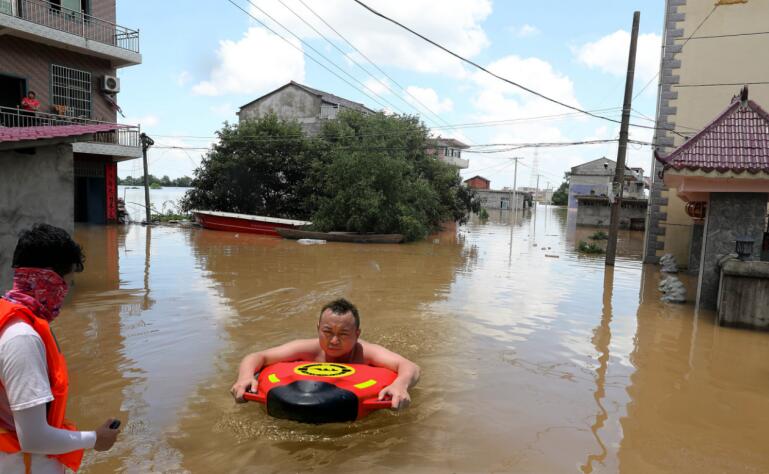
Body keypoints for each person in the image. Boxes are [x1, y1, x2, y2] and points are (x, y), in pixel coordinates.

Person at [0, 224, 121, 473]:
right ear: (50, 280)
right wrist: (95, 439)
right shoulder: (22, 338)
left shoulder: (7, 318)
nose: (65, 293)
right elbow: (33, 438)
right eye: (67, 283)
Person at [231, 298, 420, 410]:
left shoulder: (366, 352)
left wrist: (400, 385)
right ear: (318, 329)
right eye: (327, 332)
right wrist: (245, 377)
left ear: (357, 334)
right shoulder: (308, 349)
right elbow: (257, 357)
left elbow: (410, 366)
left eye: (344, 334)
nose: (334, 341)